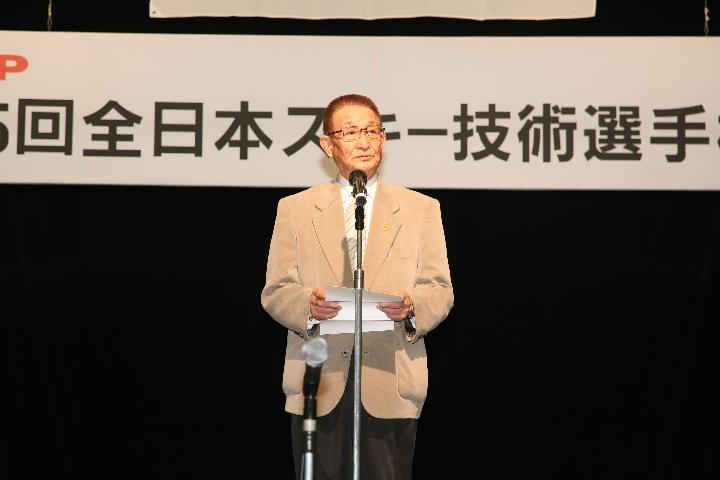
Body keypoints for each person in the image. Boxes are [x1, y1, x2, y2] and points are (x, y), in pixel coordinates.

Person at [261, 93, 453, 480]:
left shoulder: (420, 209)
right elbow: (276, 290)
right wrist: (307, 305)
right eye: (350, 132)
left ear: (383, 138)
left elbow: (439, 288)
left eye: (371, 131)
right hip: (319, 378)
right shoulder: (295, 209)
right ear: (327, 144)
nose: (363, 142)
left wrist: (412, 307)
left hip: (390, 378)